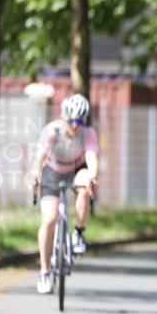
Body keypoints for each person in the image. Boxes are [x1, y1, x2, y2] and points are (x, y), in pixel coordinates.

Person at [29, 93, 99, 294]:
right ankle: (44, 272)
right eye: (71, 121)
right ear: (63, 117)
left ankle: (78, 233)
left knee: (86, 184)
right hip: (53, 170)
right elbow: (39, 156)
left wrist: (92, 176)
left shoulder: (88, 134)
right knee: (49, 220)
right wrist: (35, 173)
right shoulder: (52, 131)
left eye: (79, 121)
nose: (75, 126)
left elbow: (91, 157)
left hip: (76, 169)